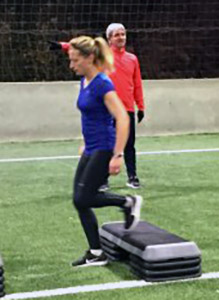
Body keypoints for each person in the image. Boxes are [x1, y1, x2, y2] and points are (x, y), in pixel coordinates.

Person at [65, 35, 143, 267]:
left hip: (105, 147)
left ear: (89, 58)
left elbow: (121, 118)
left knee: (84, 197)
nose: (72, 65)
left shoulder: (102, 83)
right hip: (91, 146)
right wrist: (84, 141)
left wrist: (117, 154)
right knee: (79, 201)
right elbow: (91, 116)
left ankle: (128, 202)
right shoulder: (85, 80)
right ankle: (97, 252)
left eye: (75, 60)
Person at [102, 23, 145, 190]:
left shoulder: (132, 59)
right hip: (108, 109)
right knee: (108, 145)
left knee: (129, 144)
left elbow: (137, 83)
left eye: (123, 34)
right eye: (117, 35)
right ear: (109, 39)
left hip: (127, 109)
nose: (121, 37)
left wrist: (140, 106)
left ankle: (132, 176)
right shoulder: (103, 58)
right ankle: (102, 178)